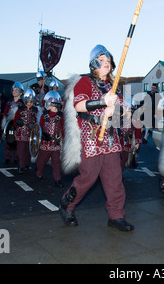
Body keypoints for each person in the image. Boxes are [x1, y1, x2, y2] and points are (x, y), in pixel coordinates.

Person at [59, 44, 134, 232]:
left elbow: (124, 111)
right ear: (94, 63)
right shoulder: (84, 81)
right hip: (91, 136)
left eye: (108, 60)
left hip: (111, 138)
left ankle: (116, 215)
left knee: (114, 179)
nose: (106, 63)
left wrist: (121, 110)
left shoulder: (112, 86)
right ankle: (66, 205)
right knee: (88, 177)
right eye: (102, 60)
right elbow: (79, 105)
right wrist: (103, 101)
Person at [35, 91, 64, 188]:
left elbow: (63, 129)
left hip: (56, 144)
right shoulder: (44, 116)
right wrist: (42, 135)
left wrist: (63, 140)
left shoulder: (60, 117)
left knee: (56, 163)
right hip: (45, 143)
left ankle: (57, 179)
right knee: (41, 161)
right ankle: (39, 174)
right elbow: (39, 128)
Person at [14, 88, 40, 174]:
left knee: (29, 150)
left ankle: (26, 164)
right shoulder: (20, 109)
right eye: (28, 101)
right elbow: (15, 119)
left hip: (30, 132)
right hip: (21, 132)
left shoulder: (35, 110)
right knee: (21, 150)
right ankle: (21, 166)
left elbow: (37, 121)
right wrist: (16, 126)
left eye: (31, 102)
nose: (29, 104)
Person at [2, 82, 25, 165]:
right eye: (13, 90)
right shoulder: (9, 102)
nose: (14, 91)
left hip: (18, 125)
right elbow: (5, 112)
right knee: (7, 141)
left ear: (21, 92)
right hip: (9, 124)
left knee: (17, 142)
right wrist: (4, 122)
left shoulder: (22, 103)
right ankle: (7, 157)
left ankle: (16, 157)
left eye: (16, 90)